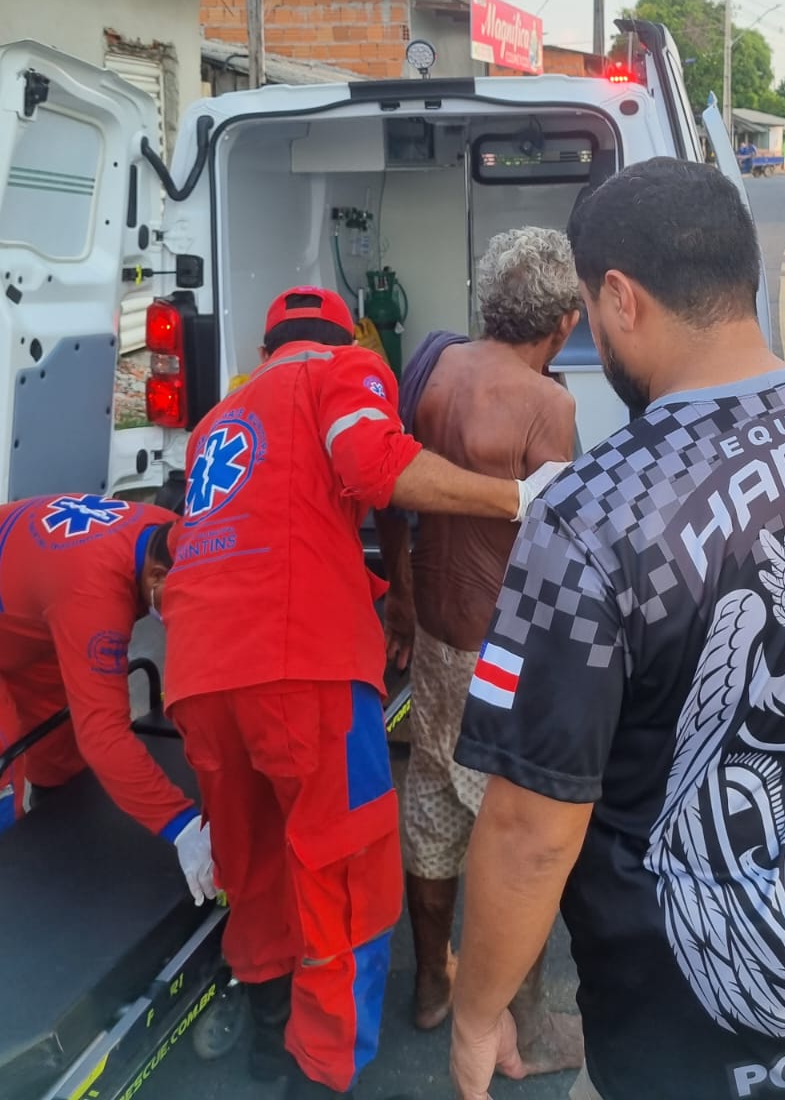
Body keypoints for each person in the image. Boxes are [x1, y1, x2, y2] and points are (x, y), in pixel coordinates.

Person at [448, 158, 785, 1100]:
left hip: (697, 1054)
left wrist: (479, 1012)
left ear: (619, 298)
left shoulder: (591, 517)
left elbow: (530, 828)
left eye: (592, 311)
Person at [163, 287, 562, 1100]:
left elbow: (250, 528)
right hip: (297, 668)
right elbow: (375, 465)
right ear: (341, 339)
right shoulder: (342, 369)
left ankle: (272, 1035)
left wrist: (381, 585)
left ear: (270, 343)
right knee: (344, 869)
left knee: (256, 855)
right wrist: (515, 496)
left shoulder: (221, 419)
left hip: (196, 672)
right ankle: (325, 1069)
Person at [380, 228, 581, 1070]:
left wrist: (398, 593)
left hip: (432, 627)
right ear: (566, 323)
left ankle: (432, 986)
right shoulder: (550, 408)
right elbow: (559, 556)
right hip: (501, 650)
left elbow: (390, 492)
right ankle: (518, 1032)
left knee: (430, 801)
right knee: (511, 830)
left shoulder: (431, 368)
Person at [0, 494, 214, 902]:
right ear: (155, 577)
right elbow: (103, 735)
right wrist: (181, 823)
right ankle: (14, 912)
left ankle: (61, 868)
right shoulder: (93, 593)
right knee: (5, 772)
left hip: (27, 617)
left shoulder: (168, 532)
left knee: (57, 751)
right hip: (34, 602)